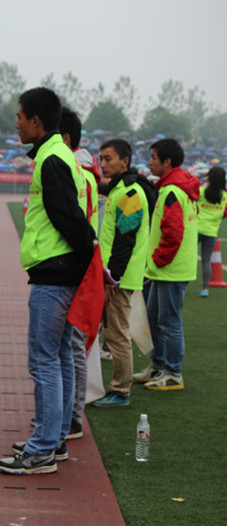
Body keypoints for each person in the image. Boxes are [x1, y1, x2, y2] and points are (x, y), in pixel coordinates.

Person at [0, 87, 96, 475]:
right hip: (62, 270)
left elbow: (68, 216)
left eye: (19, 117)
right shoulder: (58, 154)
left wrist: (84, 259)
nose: (16, 124)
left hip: (55, 273)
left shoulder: (52, 159)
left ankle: (41, 451)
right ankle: (53, 439)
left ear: (35, 121)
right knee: (58, 357)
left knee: (44, 360)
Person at [91, 139, 156, 407]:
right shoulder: (120, 188)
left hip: (119, 277)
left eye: (108, 159)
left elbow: (125, 239)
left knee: (116, 334)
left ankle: (120, 391)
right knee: (111, 333)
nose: (103, 164)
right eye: (101, 159)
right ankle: (117, 388)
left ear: (124, 161)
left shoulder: (130, 193)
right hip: (113, 274)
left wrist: (113, 276)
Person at [133, 139, 199, 391]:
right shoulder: (175, 187)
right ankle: (159, 365)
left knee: (169, 323)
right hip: (165, 268)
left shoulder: (172, 191)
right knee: (154, 318)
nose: (150, 162)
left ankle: (173, 372)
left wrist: (158, 259)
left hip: (170, 269)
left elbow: (173, 234)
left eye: (153, 157)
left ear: (167, 162)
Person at [58, 107, 101, 438]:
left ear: (65, 138)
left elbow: (76, 223)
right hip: (77, 265)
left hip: (76, 267)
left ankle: (72, 417)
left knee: (71, 344)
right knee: (67, 344)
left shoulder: (77, 172)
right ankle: (63, 414)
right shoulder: (79, 170)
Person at [196, 166, 227, 297]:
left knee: (188, 258)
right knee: (206, 261)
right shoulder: (225, 196)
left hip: (195, 229)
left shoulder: (201, 191)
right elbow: (224, 214)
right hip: (211, 232)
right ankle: (206, 289)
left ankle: (182, 285)